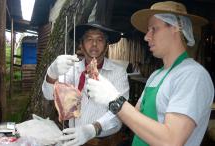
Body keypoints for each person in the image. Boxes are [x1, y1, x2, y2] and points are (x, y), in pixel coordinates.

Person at [86, 1, 215, 146]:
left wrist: (115, 100)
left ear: (175, 28)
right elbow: (133, 117)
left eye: (154, 29)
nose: (146, 37)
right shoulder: (156, 75)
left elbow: (171, 141)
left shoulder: (192, 75)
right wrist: (93, 128)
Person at [42, 21, 129, 146]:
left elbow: (120, 112)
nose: (94, 44)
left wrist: (93, 129)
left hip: (105, 142)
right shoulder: (70, 70)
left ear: (107, 45)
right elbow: (48, 95)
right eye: (89, 39)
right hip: (72, 140)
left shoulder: (118, 73)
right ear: (81, 45)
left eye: (100, 39)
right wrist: (52, 73)